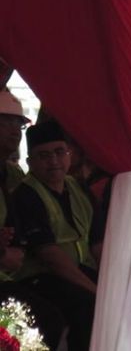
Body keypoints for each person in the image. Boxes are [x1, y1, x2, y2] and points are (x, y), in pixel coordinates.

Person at [13, 120, 104, 350]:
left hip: (80, 269)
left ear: (69, 155)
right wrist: (96, 289)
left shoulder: (78, 188)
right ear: (29, 162)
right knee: (86, 305)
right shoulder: (25, 194)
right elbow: (50, 256)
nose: (53, 161)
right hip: (40, 277)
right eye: (43, 155)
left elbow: (96, 242)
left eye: (59, 152)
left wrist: (111, 280)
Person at [0, 90, 66, 349]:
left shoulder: (14, 175)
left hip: (10, 278)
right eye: (5, 122)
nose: (14, 130)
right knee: (38, 326)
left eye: (18, 123)